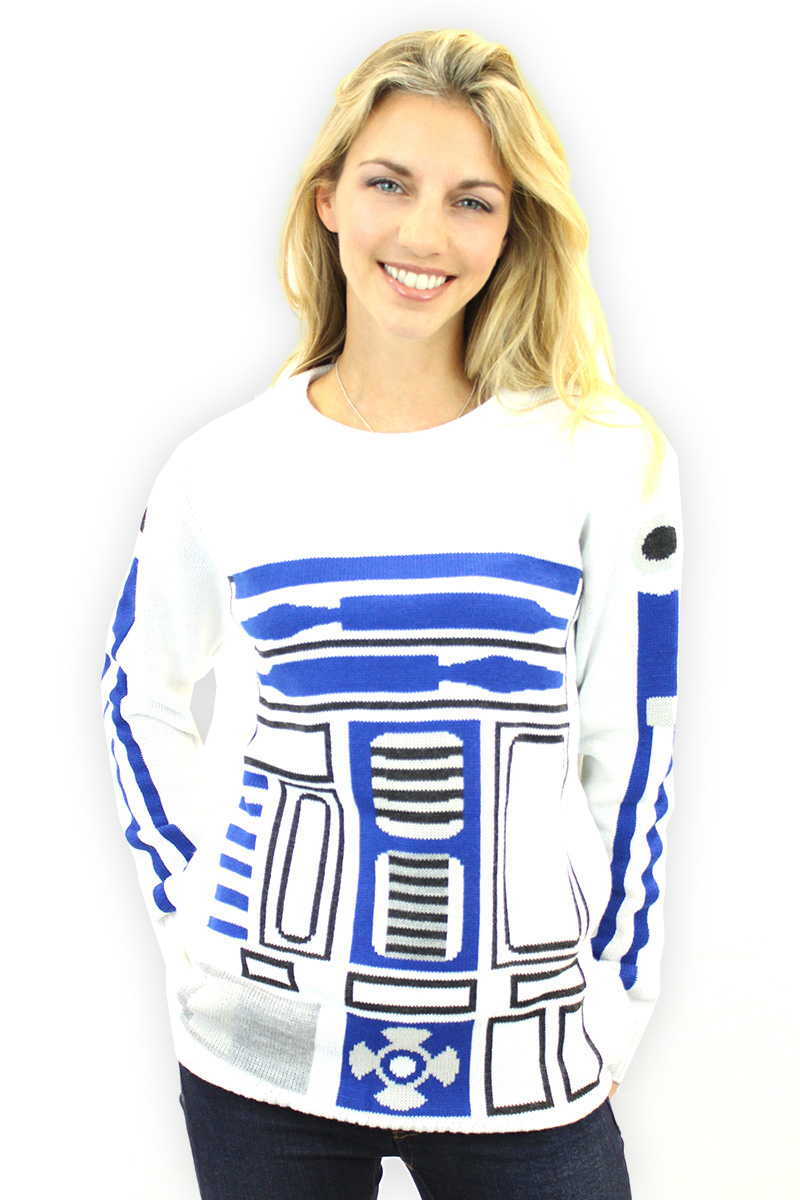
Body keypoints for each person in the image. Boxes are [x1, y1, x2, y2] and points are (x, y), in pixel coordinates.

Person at [101, 27, 681, 1200]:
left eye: (471, 201)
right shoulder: (222, 467)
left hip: (526, 1060)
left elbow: (630, 748)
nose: (423, 235)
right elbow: (135, 695)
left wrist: (615, 1002)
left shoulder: (600, 457)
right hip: (259, 1056)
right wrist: (191, 910)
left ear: (511, 228)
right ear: (327, 201)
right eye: (387, 184)